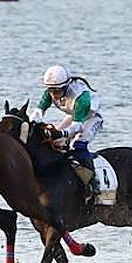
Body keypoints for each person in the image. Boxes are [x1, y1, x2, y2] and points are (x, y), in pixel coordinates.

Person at [30, 64, 104, 199]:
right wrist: (32, 125)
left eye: (57, 90)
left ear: (66, 86)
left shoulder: (81, 98)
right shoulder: (50, 91)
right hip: (74, 116)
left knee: (78, 145)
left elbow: (78, 127)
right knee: (54, 143)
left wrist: (62, 134)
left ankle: (93, 184)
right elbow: (38, 112)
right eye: (51, 90)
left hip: (90, 118)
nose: (53, 94)